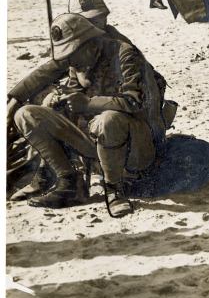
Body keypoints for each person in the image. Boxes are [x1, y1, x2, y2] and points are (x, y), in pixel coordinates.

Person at [10, 13, 170, 216]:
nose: (70, 62)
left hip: (135, 147)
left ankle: (114, 190)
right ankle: (69, 182)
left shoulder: (125, 54)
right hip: (96, 142)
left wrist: (87, 104)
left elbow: (135, 101)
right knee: (27, 115)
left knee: (108, 119)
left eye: (72, 53)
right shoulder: (78, 64)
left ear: (90, 43)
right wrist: (60, 102)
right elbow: (74, 99)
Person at [7, 0, 137, 201]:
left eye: (99, 19)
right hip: (87, 119)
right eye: (87, 20)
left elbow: (131, 99)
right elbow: (49, 70)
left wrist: (84, 102)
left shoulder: (121, 48)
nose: (95, 26)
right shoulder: (78, 42)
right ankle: (50, 171)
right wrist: (16, 97)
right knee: (42, 101)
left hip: (113, 128)